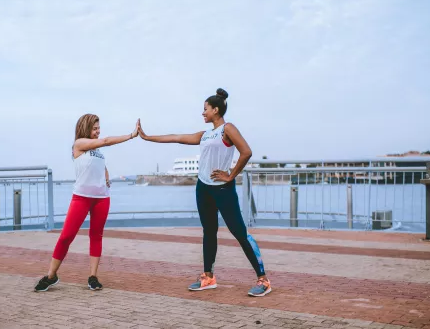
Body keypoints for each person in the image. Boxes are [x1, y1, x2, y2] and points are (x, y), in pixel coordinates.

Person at [138, 88, 271, 297]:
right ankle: (208, 276)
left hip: (223, 189)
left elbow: (246, 152)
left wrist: (231, 175)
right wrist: (147, 137)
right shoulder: (206, 134)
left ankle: (263, 279)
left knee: (239, 233)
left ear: (215, 110)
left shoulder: (228, 128)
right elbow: (177, 137)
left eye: (205, 109)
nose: (203, 113)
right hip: (204, 188)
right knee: (209, 232)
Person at [34, 114, 139, 292]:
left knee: (96, 236)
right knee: (66, 236)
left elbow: (98, 164)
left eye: (99, 128)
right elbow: (105, 141)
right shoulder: (79, 144)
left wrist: (106, 174)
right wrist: (130, 135)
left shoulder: (98, 151)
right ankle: (51, 276)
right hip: (81, 197)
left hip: (102, 198)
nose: (98, 131)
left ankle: (93, 277)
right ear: (85, 128)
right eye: (95, 128)